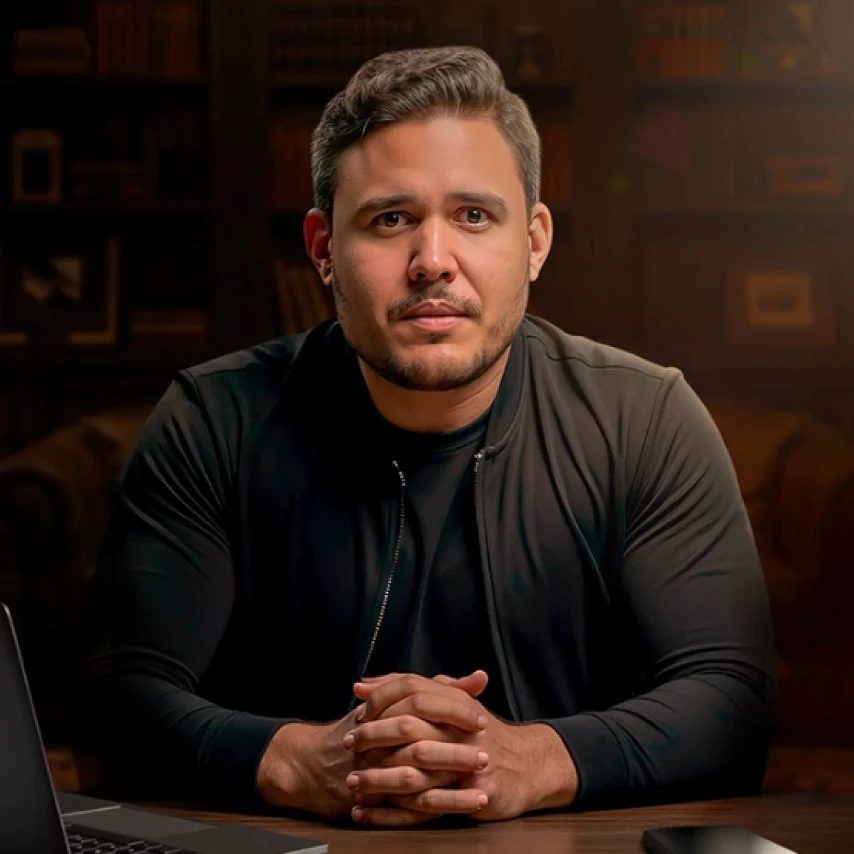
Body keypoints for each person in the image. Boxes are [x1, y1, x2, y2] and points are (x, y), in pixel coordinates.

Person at [74, 45, 777, 828]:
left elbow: (731, 703)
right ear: (323, 251)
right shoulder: (212, 421)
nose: (432, 261)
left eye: (473, 216)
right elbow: (114, 706)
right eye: (391, 219)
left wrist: (529, 761)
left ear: (535, 242)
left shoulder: (646, 420)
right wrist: (295, 759)